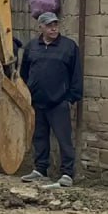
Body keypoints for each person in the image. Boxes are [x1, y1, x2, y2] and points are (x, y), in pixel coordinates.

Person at [19, 11, 82, 188]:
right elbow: (24, 72)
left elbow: (76, 74)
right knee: (39, 137)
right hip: (36, 101)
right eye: (49, 25)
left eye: (55, 24)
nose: (53, 28)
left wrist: (71, 98)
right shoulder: (32, 47)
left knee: (64, 139)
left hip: (59, 102)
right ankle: (40, 169)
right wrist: (27, 94)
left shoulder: (69, 47)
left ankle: (67, 174)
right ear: (40, 27)